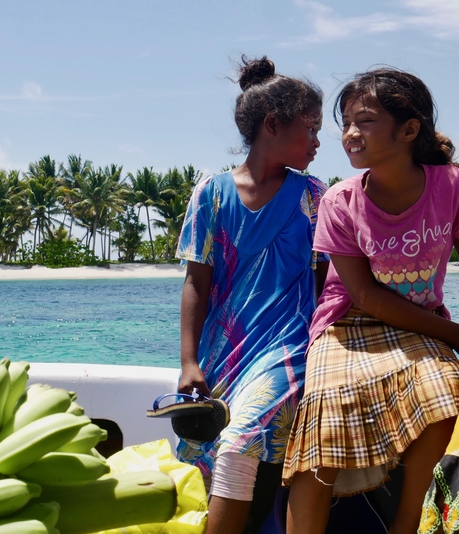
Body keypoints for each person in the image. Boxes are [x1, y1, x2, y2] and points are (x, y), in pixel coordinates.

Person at [283, 67, 459, 534]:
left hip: (418, 322)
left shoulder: (450, 187)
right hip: (347, 326)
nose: (350, 134)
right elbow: (362, 294)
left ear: (409, 129)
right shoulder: (340, 202)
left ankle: (404, 526)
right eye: (346, 123)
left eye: (364, 121)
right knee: (322, 429)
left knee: (445, 393)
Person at [175, 55, 328, 534]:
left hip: (288, 350)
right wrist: (189, 362)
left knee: (240, 442)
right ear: (273, 125)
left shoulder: (315, 198)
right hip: (224, 355)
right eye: (311, 129)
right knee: (213, 453)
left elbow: (326, 286)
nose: (320, 143)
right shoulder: (210, 194)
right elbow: (196, 284)